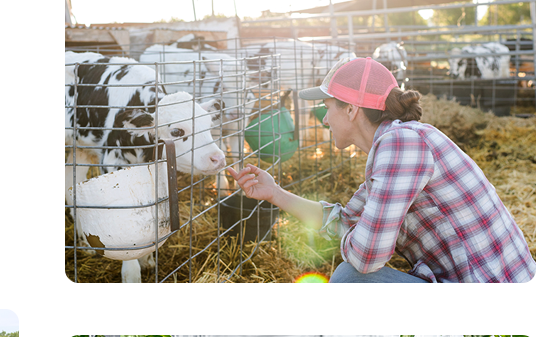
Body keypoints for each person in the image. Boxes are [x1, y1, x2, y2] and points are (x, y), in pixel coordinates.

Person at [228, 57, 536, 285]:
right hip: (471, 284)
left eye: (327, 107)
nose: (323, 120)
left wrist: (360, 235)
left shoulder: (400, 145)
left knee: (350, 279)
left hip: (491, 294)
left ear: (351, 109)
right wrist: (275, 193)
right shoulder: (393, 148)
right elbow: (343, 220)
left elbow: (366, 257)